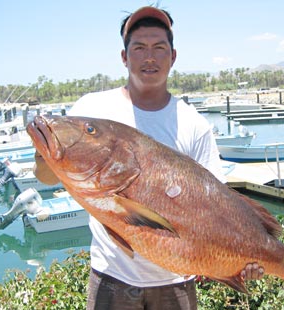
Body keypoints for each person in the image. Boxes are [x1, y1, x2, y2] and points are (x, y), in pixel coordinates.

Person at [34, 6, 264, 309]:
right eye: (139, 48)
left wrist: (248, 256)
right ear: (124, 57)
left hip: (177, 284)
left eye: (159, 47)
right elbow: (46, 176)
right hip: (110, 279)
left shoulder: (194, 124)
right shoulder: (93, 107)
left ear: (173, 56)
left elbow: (221, 207)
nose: (150, 57)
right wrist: (47, 151)